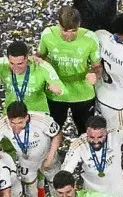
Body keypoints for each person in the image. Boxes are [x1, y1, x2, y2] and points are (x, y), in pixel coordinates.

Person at [0, 101, 62, 197]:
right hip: (26, 161)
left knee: (55, 184)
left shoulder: (42, 120)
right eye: (12, 123)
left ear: (26, 117)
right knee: (30, 188)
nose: (16, 127)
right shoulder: (2, 125)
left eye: (20, 122)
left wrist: (51, 155)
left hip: (47, 157)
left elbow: (57, 135)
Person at [37, 7, 102, 135]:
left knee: (86, 131)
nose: (69, 35)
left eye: (73, 31)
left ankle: (86, 154)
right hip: (56, 91)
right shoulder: (48, 35)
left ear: (79, 26)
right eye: (64, 31)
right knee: (52, 130)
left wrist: (96, 75)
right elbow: (40, 57)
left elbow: (97, 66)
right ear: (58, 25)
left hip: (82, 92)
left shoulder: (90, 38)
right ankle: (52, 154)